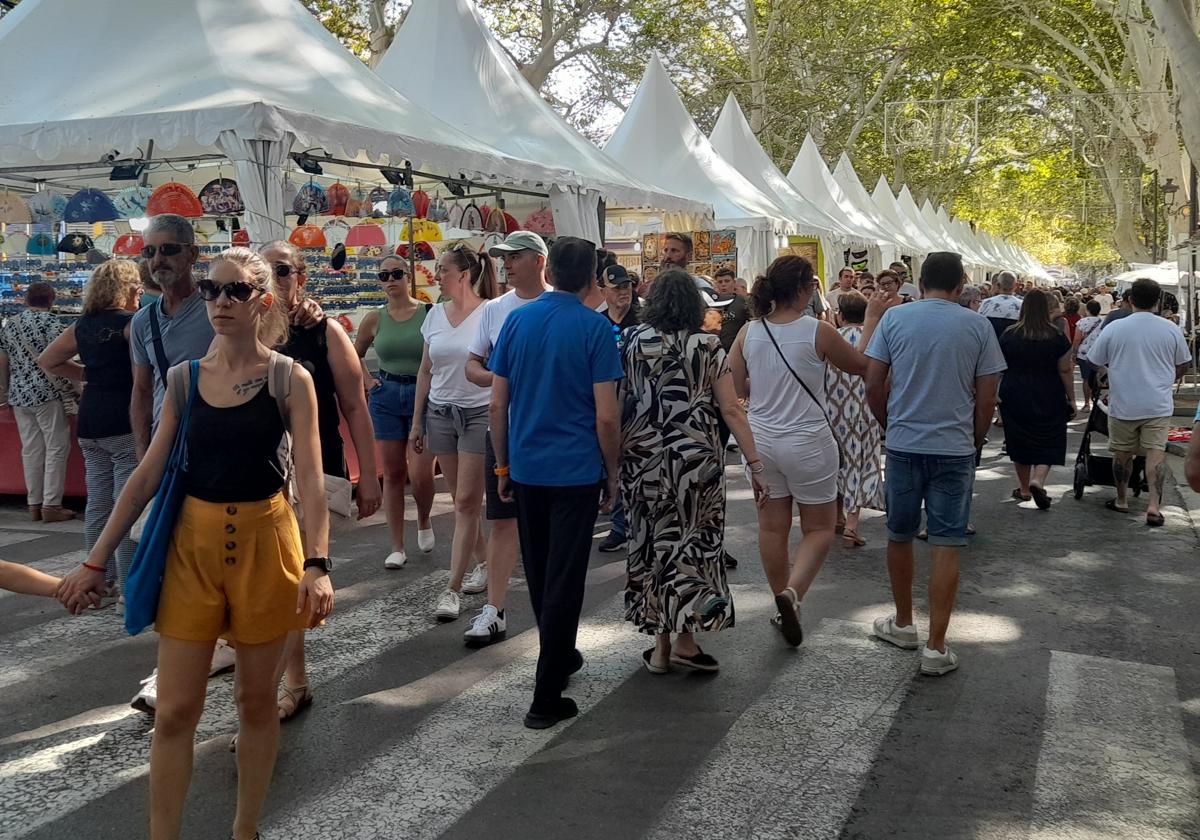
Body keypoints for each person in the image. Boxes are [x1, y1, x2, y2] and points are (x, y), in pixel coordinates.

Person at [56, 246, 333, 840]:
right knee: (177, 710)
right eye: (211, 290)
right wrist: (95, 559)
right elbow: (146, 476)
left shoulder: (290, 377)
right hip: (193, 550)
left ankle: (245, 829)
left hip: (269, 546)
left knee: (256, 705)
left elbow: (310, 478)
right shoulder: (183, 380)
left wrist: (318, 562)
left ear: (262, 302)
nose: (220, 302)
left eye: (235, 291)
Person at [489, 236, 622, 730]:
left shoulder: (516, 321)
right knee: (565, 579)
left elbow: (497, 404)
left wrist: (501, 466)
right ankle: (546, 694)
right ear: (591, 277)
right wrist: (613, 474)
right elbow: (607, 417)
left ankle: (560, 658)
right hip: (575, 470)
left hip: (526, 467)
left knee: (543, 572)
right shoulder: (595, 330)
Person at [729, 256, 892, 648]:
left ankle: (780, 599)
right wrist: (870, 321)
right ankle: (793, 593)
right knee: (818, 528)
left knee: (771, 528)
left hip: (762, 441)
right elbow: (862, 367)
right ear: (805, 289)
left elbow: (738, 386)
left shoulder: (748, 332)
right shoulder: (817, 331)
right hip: (809, 441)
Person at [620, 269, 767, 674]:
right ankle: (687, 639)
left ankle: (661, 647)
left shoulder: (632, 341)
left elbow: (620, 403)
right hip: (695, 461)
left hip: (644, 459)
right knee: (692, 546)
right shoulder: (707, 346)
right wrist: (754, 464)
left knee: (651, 545)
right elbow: (732, 409)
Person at [865, 251, 1005, 676]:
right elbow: (987, 395)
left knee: (899, 534)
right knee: (946, 543)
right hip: (955, 447)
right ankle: (936, 646)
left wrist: (889, 423)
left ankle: (904, 622)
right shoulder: (978, 325)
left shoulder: (894, 320)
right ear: (961, 284)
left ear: (919, 282)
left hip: (905, 442)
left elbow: (873, 381)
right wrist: (976, 437)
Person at [260, 240, 381, 719]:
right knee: (277, 582)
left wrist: (368, 476)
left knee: (292, 578)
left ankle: (289, 683)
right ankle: (290, 681)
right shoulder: (244, 328)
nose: (274, 279)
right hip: (257, 473)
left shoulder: (323, 331)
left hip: (313, 473)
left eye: (283, 271)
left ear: (301, 278)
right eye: (265, 272)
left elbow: (354, 405)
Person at [462, 231, 551, 647]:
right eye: (502, 258)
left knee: (549, 528)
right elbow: (471, 365)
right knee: (502, 522)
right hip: (504, 428)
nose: (506, 264)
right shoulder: (495, 309)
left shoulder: (561, 305)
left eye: (514, 257)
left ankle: (552, 617)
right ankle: (494, 610)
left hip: (551, 431)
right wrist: (504, 381)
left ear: (539, 260)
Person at [39, 261, 141, 603]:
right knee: (128, 506)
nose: (140, 295)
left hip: (90, 420)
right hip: (124, 419)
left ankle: (102, 581)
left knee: (99, 503)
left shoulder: (83, 325)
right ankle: (129, 586)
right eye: (137, 289)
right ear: (126, 290)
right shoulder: (132, 324)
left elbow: (48, 360)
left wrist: (86, 375)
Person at [411, 243, 496, 621]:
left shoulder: (490, 313)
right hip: (441, 413)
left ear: (463, 274)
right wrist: (417, 420)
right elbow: (426, 371)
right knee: (463, 500)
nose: (436, 275)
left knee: (464, 501)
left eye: (443, 269)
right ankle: (487, 561)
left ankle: (452, 588)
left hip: (479, 412)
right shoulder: (434, 315)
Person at [1087, 278, 1192, 526]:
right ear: (1158, 301)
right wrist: (1170, 377)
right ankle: (1154, 505)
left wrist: (1107, 371)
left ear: (1131, 300)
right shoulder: (1170, 329)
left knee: (1122, 453)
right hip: (1158, 403)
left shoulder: (1116, 328)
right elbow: (1183, 363)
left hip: (1124, 402)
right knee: (1156, 454)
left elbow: (1093, 359)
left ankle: (1121, 499)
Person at [355, 255, 436, 569]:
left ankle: (425, 519)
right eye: (384, 275)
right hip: (386, 394)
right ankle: (397, 545)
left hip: (423, 394)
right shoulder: (375, 318)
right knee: (392, 473)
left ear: (408, 276)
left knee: (420, 474)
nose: (390, 280)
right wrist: (368, 381)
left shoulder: (428, 314)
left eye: (396, 274)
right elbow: (355, 352)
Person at [0, 282, 75, 523]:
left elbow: (2, 361)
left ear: (25, 299)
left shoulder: (10, 325)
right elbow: (63, 356)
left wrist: (5, 391)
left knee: (31, 449)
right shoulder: (53, 323)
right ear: (51, 301)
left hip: (19, 395)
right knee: (56, 447)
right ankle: (52, 504)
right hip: (47, 392)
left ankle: (34, 503)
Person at [998, 290, 1075, 509]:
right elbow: (1065, 369)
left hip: (1014, 392)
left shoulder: (1009, 334)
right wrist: (1071, 399)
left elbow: (999, 367)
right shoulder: (1056, 336)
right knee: (1050, 436)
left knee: (1019, 438)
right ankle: (1038, 479)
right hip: (1048, 391)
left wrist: (995, 394)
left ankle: (1023, 488)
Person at [824, 291, 886, 547]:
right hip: (866, 410)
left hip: (834, 410)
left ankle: (837, 517)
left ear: (840, 315)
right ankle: (851, 523)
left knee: (838, 461)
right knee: (861, 463)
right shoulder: (874, 340)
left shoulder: (830, 339)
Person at [1073, 299, 1103, 412]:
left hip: (1084, 354)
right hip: (1099, 353)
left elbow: (1076, 339)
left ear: (1087, 309)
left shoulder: (1082, 322)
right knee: (1098, 379)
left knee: (1086, 379)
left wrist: (1074, 353)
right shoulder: (1103, 321)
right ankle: (1097, 402)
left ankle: (1086, 404)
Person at [978, 270, 1022, 340]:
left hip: (990, 342)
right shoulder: (1022, 305)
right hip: (1014, 344)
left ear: (998, 285)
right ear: (1016, 285)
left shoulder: (986, 304)